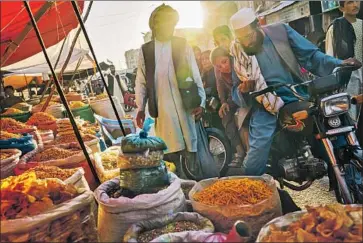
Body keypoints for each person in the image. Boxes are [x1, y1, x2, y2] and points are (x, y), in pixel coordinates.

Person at [229, 8, 361, 176]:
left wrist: (339, 63)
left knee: (335, 125)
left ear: (257, 26)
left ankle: (350, 175)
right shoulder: (237, 52)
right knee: (255, 159)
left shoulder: (280, 32)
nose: (246, 43)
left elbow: (312, 56)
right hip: (266, 105)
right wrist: (243, 90)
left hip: (297, 94)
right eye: (241, 39)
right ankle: (254, 194)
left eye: (248, 36)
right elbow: (235, 91)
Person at [135, 4, 206, 176]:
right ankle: (177, 186)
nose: (168, 26)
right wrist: (140, 108)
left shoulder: (183, 45)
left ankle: (196, 183)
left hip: (185, 105)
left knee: (191, 149)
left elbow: (195, 75)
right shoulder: (146, 51)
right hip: (163, 109)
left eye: (171, 22)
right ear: (155, 25)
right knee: (170, 151)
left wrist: (201, 102)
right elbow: (141, 82)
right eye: (164, 22)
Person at [325, 1, 362, 122]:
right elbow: (330, 56)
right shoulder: (335, 28)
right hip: (348, 75)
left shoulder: (362, 24)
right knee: (351, 110)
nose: (355, 5)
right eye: (350, 2)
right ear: (341, 8)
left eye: (357, 1)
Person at [210, 47, 247, 166]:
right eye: (219, 66)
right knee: (225, 116)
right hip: (232, 98)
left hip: (245, 96)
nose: (223, 67)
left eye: (224, 62)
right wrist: (223, 102)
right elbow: (219, 86)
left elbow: (240, 86)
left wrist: (229, 101)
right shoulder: (218, 71)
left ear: (229, 58)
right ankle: (240, 152)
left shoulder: (238, 63)